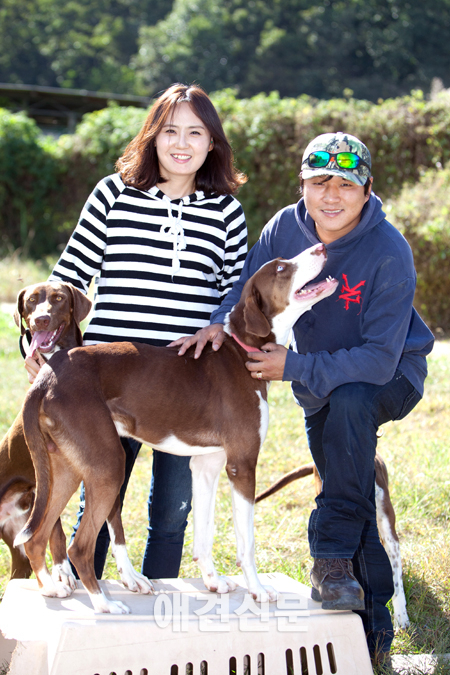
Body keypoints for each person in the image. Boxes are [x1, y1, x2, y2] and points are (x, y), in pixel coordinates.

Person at [173, 132, 434, 668]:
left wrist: (292, 367)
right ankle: (366, 638)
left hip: (389, 376)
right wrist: (218, 324)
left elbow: (379, 360)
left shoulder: (388, 251)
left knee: (355, 405)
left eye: (345, 184)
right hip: (318, 386)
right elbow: (246, 289)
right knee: (348, 472)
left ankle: (335, 563)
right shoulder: (283, 229)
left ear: (366, 191)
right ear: (303, 186)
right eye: (319, 183)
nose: (331, 196)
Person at [24, 82, 248, 581]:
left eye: (196, 132)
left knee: (172, 510)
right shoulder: (113, 193)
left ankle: (160, 608)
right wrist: (36, 344)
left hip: (187, 383)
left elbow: (234, 293)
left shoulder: (226, 211)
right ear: (152, 136)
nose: (182, 143)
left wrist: (217, 324)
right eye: (170, 131)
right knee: (101, 499)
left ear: (213, 143)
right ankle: (90, 604)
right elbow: (66, 279)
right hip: (109, 376)